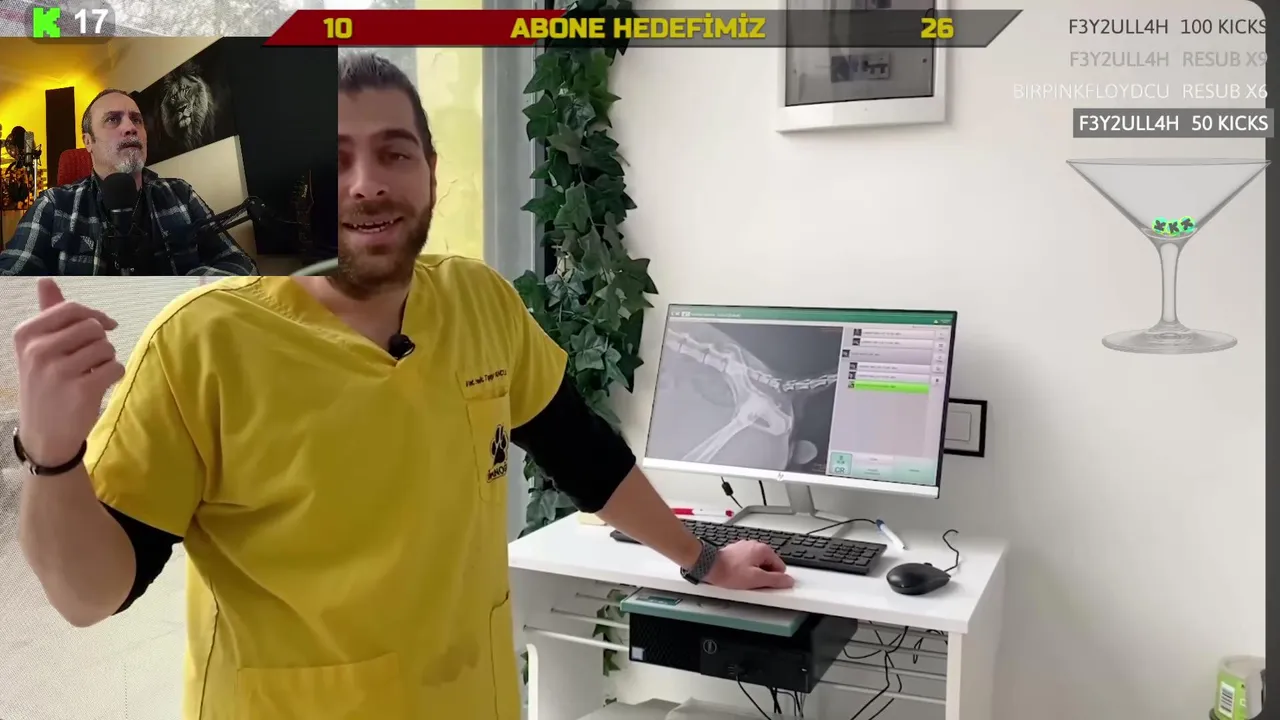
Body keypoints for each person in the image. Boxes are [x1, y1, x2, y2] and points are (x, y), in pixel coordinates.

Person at [10, 52, 792, 719]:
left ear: (431, 172)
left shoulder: (480, 301)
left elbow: (583, 453)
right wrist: (51, 452)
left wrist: (703, 561)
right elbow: (91, 595)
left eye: (394, 153)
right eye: (337, 158)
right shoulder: (203, 344)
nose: (365, 184)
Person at [0, 89, 256, 276]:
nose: (130, 127)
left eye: (136, 120)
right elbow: (10, 283)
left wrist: (190, 291)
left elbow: (240, 263)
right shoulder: (54, 204)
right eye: (113, 119)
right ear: (88, 141)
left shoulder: (181, 194)